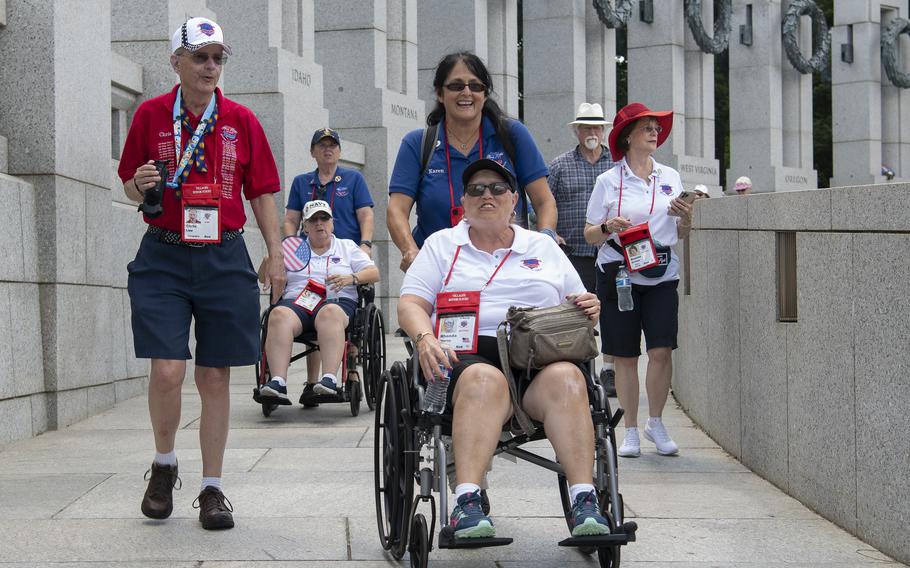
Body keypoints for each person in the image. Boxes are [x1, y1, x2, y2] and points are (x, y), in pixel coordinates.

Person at [118, 17, 286, 529]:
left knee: (215, 375)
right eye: (200, 56)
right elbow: (129, 183)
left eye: (218, 58)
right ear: (177, 63)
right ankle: (164, 464)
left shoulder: (240, 119)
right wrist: (138, 182)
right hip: (164, 254)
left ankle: (212, 488)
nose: (211, 66)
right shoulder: (150, 115)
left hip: (224, 254)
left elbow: (261, 192)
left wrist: (275, 252)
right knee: (167, 369)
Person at [398, 159, 608, 539]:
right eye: (476, 189)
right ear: (464, 201)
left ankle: (585, 499)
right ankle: (468, 503)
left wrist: (589, 305)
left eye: (497, 188)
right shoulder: (442, 245)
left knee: (568, 379)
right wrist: (424, 338)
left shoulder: (542, 246)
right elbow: (411, 303)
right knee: (483, 380)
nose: (487, 195)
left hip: (539, 351)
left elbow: (578, 301)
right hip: (467, 354)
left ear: (515, 200)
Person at [583, 102, 695, 458]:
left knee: (662, 350)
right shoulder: (608, 181)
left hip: (661, 272)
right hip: (619, 274)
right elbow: (588, 234)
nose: (654, 132)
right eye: (646, 127)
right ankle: (630, 429)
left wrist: (688, 217)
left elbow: (680, 232)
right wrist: (607, 226)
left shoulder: (670, 177)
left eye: (656, 128)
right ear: (627, 136)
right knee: (627, 356)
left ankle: (656, 423)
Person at [388, 52, 558, 272]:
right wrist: (410, 250)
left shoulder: (512, 135)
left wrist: (544, 242)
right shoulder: (418, 143)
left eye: (475, 86)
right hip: (439, 269)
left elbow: (544, 201)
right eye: (457, 86)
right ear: (440, 93)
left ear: (485, 94)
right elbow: (396, 210)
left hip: (506, 267)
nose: (466, 92)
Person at [258, 200, 379, 404]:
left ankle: (329, 379)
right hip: (299, 303)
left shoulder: (346, 247)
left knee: (329, 313)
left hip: (337, 301)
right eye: (313, 220)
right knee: (277, 314)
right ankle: (277, 381)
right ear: (304, 226)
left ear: (332, 223)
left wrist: (351, 278)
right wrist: (269, 259)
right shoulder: (293, 248)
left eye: (324, 218)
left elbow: (374, 273)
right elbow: (263, 278)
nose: (319, 223)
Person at [548, 102, 619, 396]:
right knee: (579, 314)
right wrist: (549, 232)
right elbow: (543, 202)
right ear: (577, 131)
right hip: (575, 252)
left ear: (603, 131)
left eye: (597, 127)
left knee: (613, 310)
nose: (592, 132)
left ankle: (610, 370)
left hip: (613, 250)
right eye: (586, 127)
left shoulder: (616, 164)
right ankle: (581, 367)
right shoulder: (559, 165)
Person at [285, 128, 375, 255]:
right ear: (312, 152)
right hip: (310, 253)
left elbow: (366, 215)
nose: (328, 149)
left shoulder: (354, 178)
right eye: (322, 145)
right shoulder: (301, 182)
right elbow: (291, 220)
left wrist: (365, 244)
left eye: (333, 145)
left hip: (347, 252)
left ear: (339, 151)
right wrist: (291, 244)